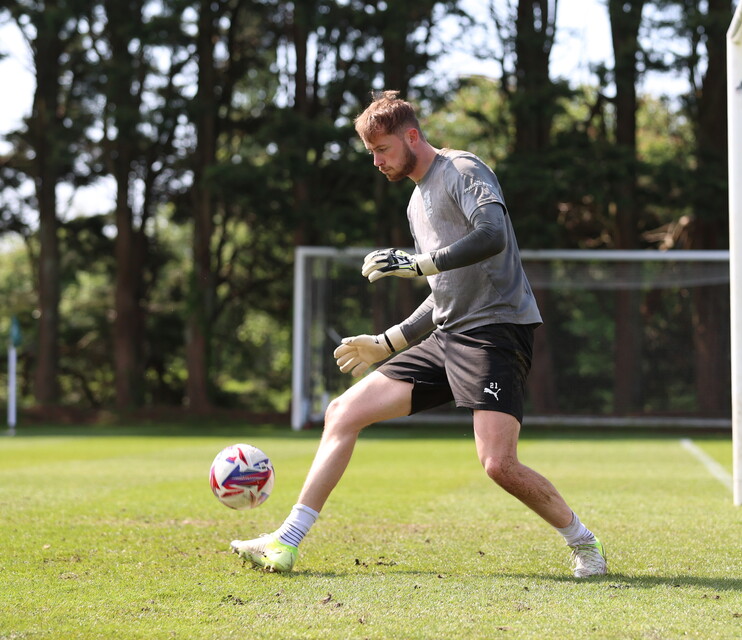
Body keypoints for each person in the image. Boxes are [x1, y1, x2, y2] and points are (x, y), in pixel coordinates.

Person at [231, 90, 607, 578]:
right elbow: (443, 289)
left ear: (411, 136)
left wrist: (417, 264)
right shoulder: (414, 205)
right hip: (449, 336)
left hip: (495, 331)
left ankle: (584, 543)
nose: (376, 161)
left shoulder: (463, 170)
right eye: (371, 153)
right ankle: (287, 540)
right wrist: (386, 342)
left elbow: (492, 235)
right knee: (343, 412)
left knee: (498, 464)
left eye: (382, 149)